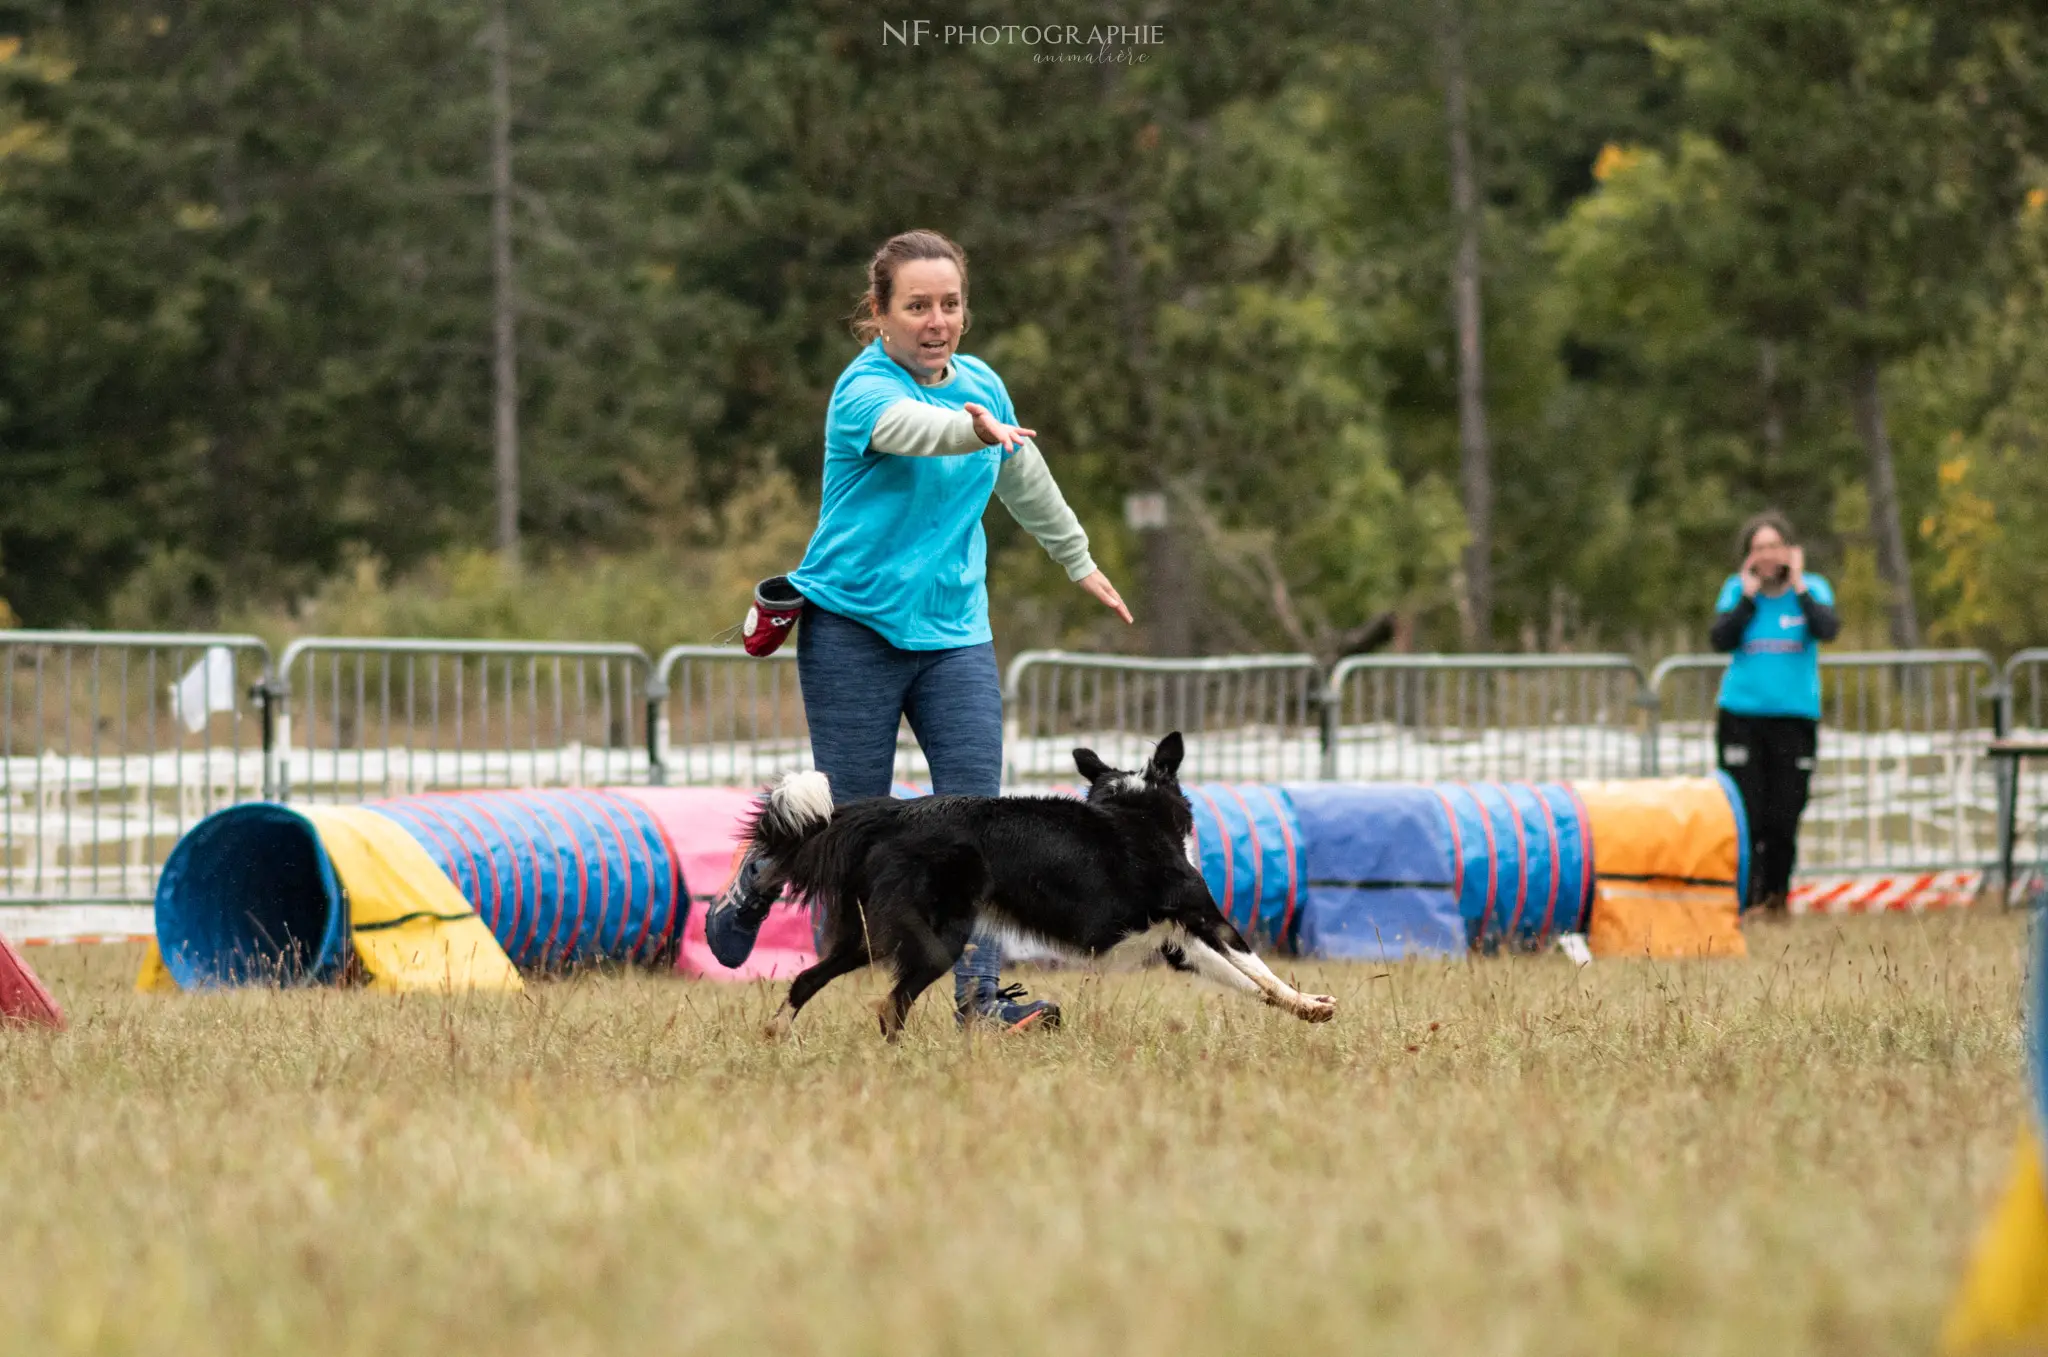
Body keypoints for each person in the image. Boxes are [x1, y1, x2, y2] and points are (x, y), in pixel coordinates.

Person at [703, 229, 1133, 1030]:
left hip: (955, 636)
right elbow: (916, 428)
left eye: (951, 304)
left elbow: (1025, 476)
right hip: (853, 630)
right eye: (917, 306)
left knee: (979, 822)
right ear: (881, 312)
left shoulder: (984, 386)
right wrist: (969, 429)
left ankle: (983, 999)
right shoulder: (863, 391)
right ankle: (763, 869)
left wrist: (1077, 558)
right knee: (857, 827)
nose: (937, 321)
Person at [1708, 511, 1840, 917]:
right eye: (1758, 548)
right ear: (1748, 556)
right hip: (1742, 719)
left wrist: (1798, 586)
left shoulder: (1812, 590)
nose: (1766, 555)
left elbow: (1827, 629)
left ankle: (1776, 900)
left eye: (1773, 546)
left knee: (1785, 813)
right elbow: (1720, 639)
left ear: (1788, 550)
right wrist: (1748, 598)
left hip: (1794, 720)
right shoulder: (1736, 592)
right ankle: (1746, 900)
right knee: (1748, 814)